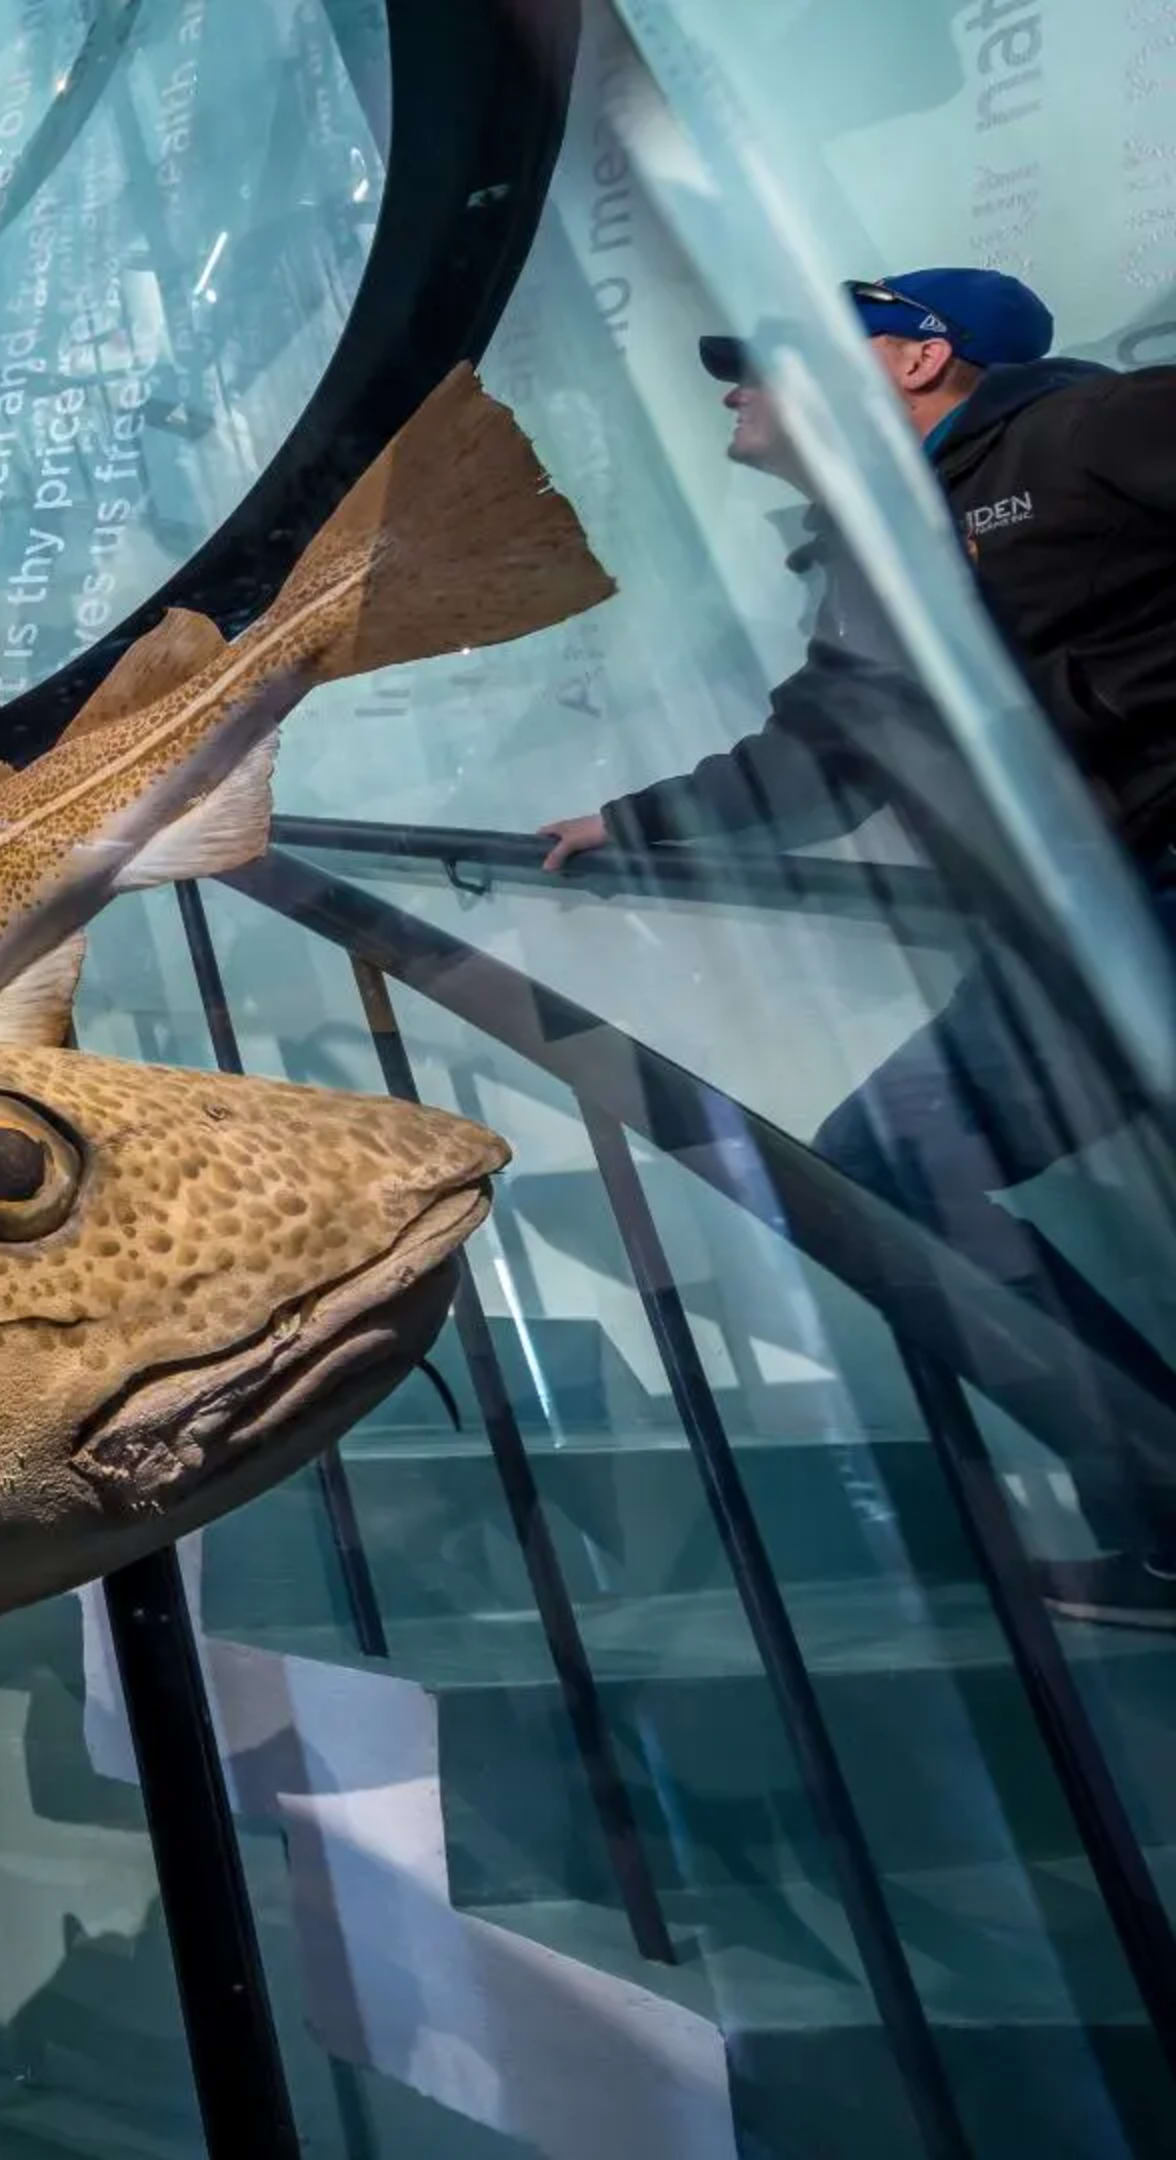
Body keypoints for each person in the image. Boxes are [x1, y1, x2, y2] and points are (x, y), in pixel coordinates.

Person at [536, 269, 1176, 1624]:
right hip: (1099, 932)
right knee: (890, 1170)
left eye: (772, 359)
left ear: (915, 362)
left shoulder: (1084, 436)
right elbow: (822, 766)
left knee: (897, 1163)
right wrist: (630, 828)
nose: (736, 386)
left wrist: (1099, 706)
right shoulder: (879, 555)